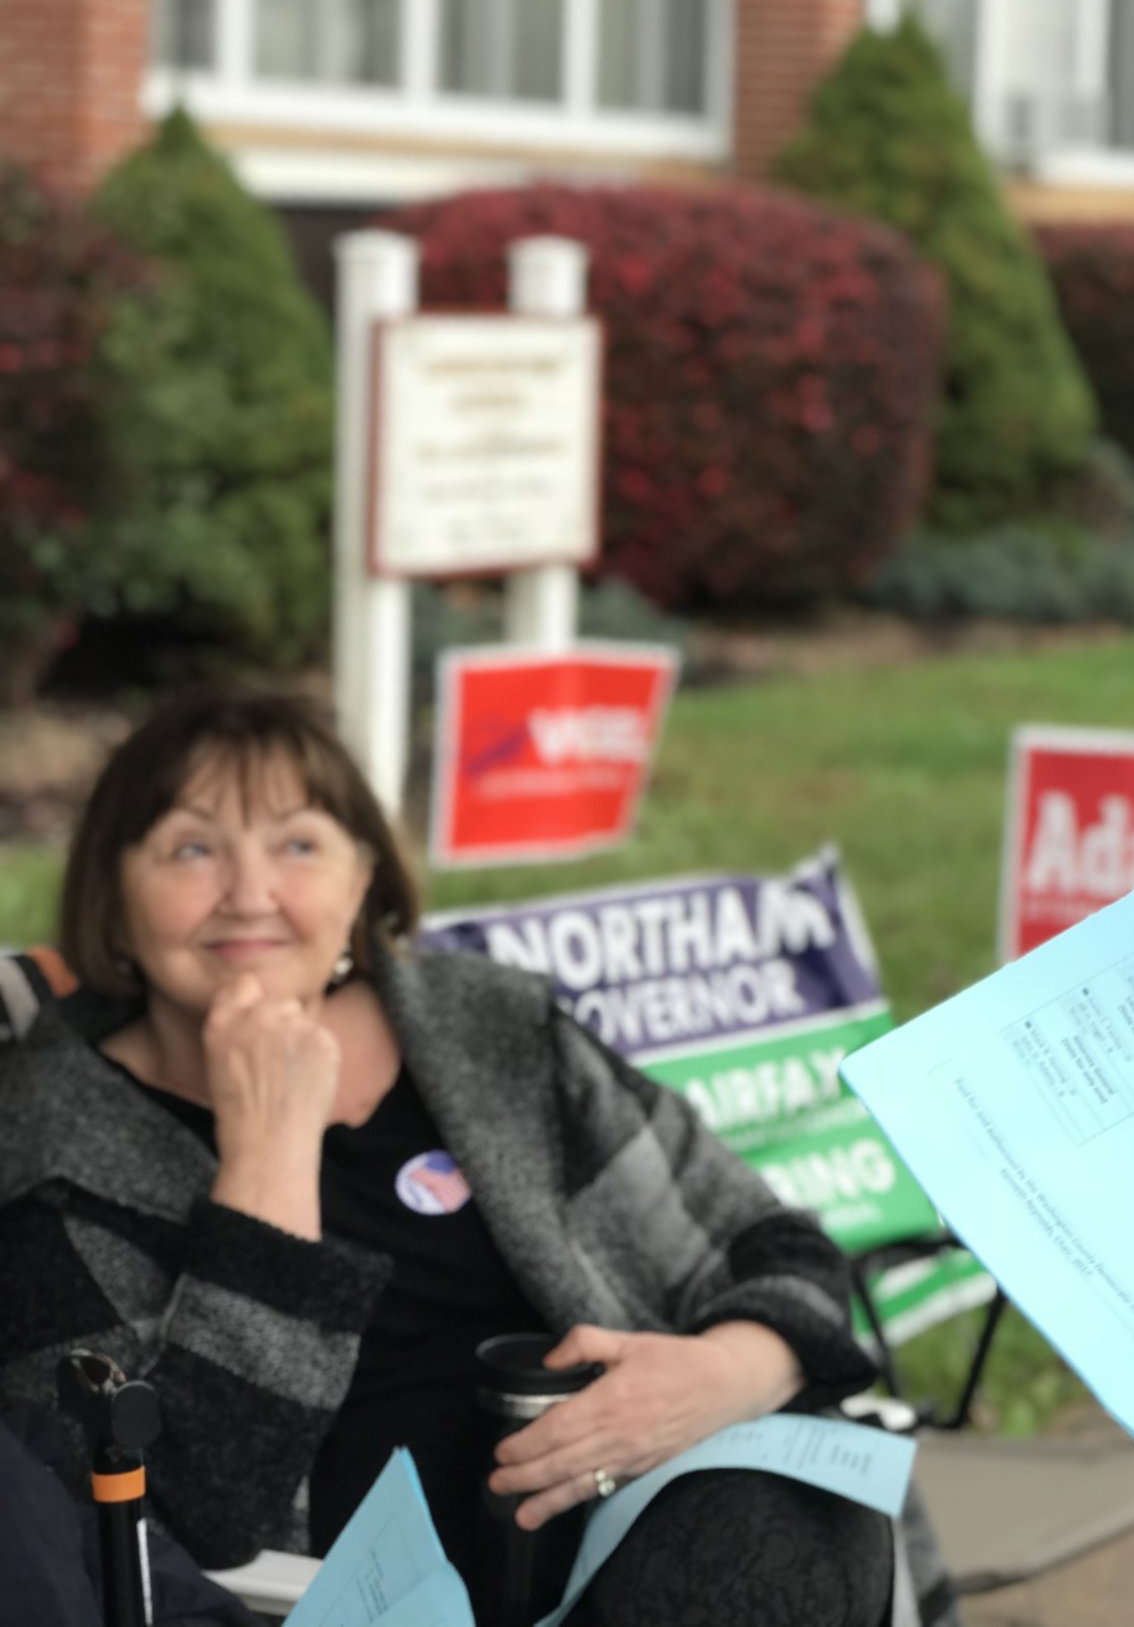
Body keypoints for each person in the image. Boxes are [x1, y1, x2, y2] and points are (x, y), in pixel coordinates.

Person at [0, 691, 945, 1627]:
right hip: (320, 1601)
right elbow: (154, 1518)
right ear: (113, 897)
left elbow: (775, 1246)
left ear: (364, 875)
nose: (251, 893)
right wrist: (270, 1164)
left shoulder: (487, 1030)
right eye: (192, 848)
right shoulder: (52, 1140)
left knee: (789, 1532)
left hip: (637, 1537)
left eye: (298, 844)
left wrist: (727, 1373)